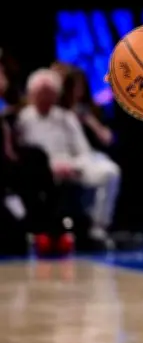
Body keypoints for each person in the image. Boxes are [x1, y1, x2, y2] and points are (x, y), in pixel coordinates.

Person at [17, 68, 121, 248]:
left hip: (72, 165)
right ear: (32, 94)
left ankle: (98, 227)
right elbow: (24, 154)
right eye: (42, 93)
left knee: (110, 172)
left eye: (50, 94)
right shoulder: (23, 120)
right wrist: (52, 166)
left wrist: (74, 166)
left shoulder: (66, 117)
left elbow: (82, 150)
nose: (46, 99)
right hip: (42, 170)